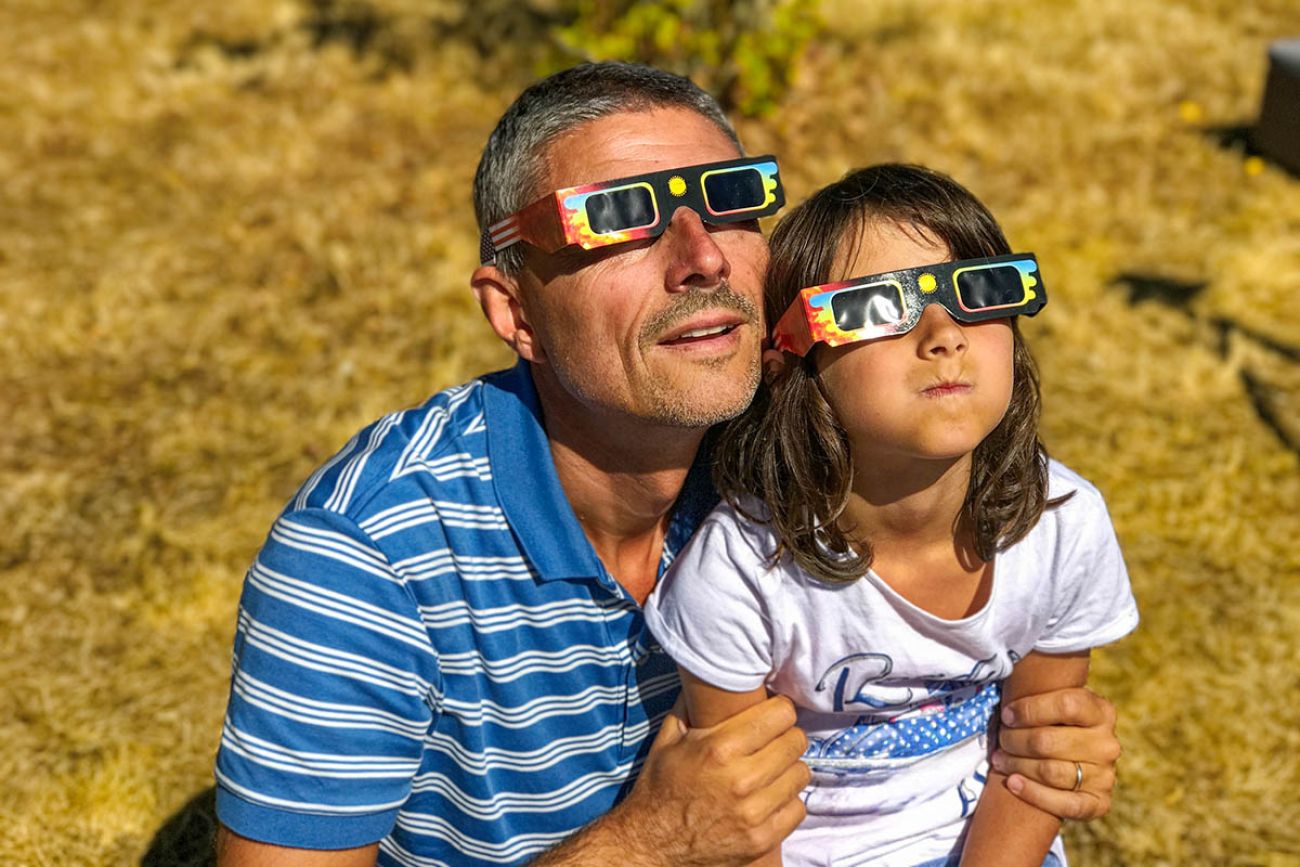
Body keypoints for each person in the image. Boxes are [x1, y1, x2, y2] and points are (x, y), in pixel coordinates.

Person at [214, 63, 1128, 866]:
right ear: (513, 309)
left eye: (729, 200)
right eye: (616, 219)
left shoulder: (810, 447)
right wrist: (648, 842)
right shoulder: (365, 552)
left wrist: (1038, 736)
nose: (699, 258)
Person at [643, 163, 1140, 866]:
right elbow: (735, 817)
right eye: (877, 304)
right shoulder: (742, 570)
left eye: (977, 291)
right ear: (790, 359)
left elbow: (1040, 762)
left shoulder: (1062, 524)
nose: (944, 334)